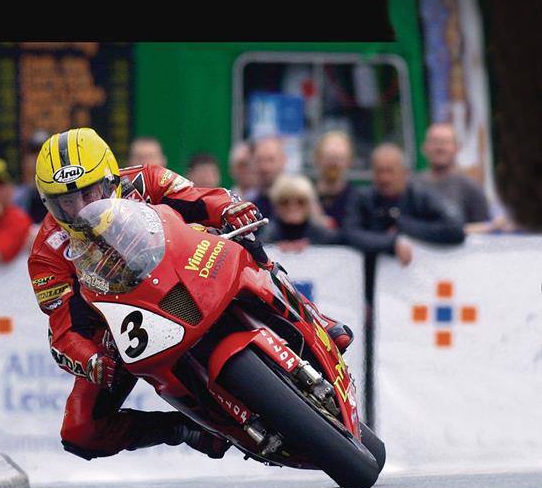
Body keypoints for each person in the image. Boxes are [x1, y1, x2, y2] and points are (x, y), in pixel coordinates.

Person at [28, 127, 353, 462]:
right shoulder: (45, 255)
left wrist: (227, 207)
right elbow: (63, 329)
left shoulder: (145, 180)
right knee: (79, 431)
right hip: (125, 326)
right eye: (66, 202)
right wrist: (89, 358)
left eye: (90, 194)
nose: (80, 209)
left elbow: (200, 198)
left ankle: (313, 317)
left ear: (111, 180)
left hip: (188, 271)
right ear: (48, 203)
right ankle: (186, 428)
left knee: (244, 238)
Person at [343, 143, 466, 267]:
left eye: (390, 171)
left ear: (405, 173)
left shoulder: (420, 197)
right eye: (379, 171)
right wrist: (392, 243)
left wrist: (404, 226)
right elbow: (350, 233)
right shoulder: (363, 198)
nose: (384, 178)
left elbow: (455, 229)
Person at [413, 123, 490, 225]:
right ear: (424, 148)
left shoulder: (471, 189)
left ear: (457, 148)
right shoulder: (411, 186)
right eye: (434, 142)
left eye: (445, 142)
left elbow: (484, 230)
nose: (439, 148)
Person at [258, 175, 342, 252]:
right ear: (276, 205)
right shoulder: (266, 235)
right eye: (285, 202)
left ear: (309, 204)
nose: (292, 207)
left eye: (300, 201)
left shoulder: (324, 235)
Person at [313, 131, 357, 229]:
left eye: (339, 158)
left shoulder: (357, 200)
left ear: (349, 161)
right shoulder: (304, 198)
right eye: (329, 157)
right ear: (317, 158)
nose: (334, 164)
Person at [13, 129, 52, 224]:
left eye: (44, 152)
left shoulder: (69, 194)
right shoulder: (15, 198)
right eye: (34, 153)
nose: (38, 158)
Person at [252, 137, 287, 219]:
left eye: (271, 160)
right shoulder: (251, 204)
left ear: (283, 160)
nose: (265, 167)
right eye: (259, 160)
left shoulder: (296, 202)